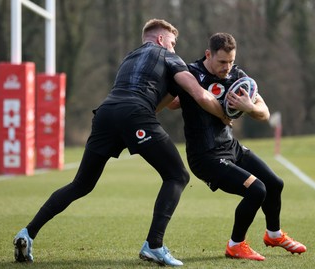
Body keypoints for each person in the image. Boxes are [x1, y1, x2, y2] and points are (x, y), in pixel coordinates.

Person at [13, 19, 230, 267]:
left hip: (106, 113)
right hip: (134, 113)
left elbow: (157, 101)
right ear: (161, 40)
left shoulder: (129, 58)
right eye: (172, 42)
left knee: (81, 184)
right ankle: (154, 245)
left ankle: (27, 233)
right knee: (177, 176)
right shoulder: (170, 57)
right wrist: (224, 115)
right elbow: (199, 94)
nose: (173, 47)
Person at [172, 33, 306, 261]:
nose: (228, 67)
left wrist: (250, 107)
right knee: (257, 190)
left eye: (231, 61)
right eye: (222, 62)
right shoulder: (191, 73)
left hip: (231, 148)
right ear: (208, 54)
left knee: (274, 184)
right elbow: (174, 102)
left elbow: (264, 113)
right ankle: (236, 245)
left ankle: (273, 234)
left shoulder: (237, 77)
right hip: (206, 157)